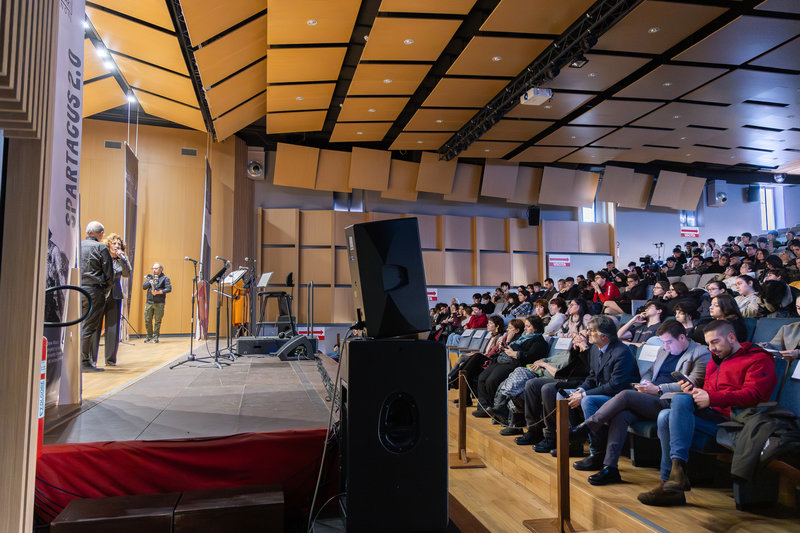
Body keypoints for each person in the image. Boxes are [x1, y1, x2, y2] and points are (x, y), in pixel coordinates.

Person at [637, 320, 776, 506]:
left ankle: (672, 484)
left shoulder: (758, 359)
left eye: (715, 342)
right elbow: (708, 392)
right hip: (712, 415)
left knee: (671, 411)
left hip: (737, 421)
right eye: (709, 343)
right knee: (668, 412)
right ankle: (671, 481)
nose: (712, 348)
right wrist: (695, 392)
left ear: (731, 337)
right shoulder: (715, 359)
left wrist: (712, 398)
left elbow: (754, 394)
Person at [569, 320, 710, 485]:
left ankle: (589, 425)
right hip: (650, 397)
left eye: (669, 342)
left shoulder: (700, 353)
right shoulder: (663, 350)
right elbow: (650, 372)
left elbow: (691, 383)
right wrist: (645, 383)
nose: (666, 346)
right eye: (663, 342)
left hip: (672, 401)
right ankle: (610, 467)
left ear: (682, 337)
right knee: (621, 415)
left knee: (625, 395)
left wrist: (657, 388)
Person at [565, 316, 640, 467]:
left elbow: (614, 386)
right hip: (602, 392)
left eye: (592, 331)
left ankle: (597, 453)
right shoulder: (595, 348)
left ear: (604, 336)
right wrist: (580, 390)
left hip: (618, 397)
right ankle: (574, 444)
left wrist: (584, 395)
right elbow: (592, 377)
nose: (588, 333)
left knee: (587, 400)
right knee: (564, 395)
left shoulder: (622, 353)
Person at [473, 317, 548, 417]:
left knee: (492, 380)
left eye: (528, 326)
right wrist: (506, 346)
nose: (525, 328)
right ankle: (483, 407)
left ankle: (494, 408)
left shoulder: (539, 342)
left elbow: (529, 356)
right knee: (482, 378)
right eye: (525, 326)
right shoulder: (522, 337)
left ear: (536, 328)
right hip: (505, 360)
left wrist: (514, 353)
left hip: (516, 364)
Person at [80, 221, 114, 371]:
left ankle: (78, 360)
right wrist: (107, 288)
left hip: (76, 289)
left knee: (79, 325)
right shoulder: (101, 247)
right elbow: (109, 273)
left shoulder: (78, 245)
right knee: (89, 326)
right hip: (94, 291)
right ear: (100, 233)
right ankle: (84, 362)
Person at [101, 233, 131, 366]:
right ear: (108, 245)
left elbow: (127, 274)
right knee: (96, 327)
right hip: (101, 294)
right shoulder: (102, 257)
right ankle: (90, 359)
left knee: (113, 328)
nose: (117, 246)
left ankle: (110, 359)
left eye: (119, 244)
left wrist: (123, 259)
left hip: (115, 294)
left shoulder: (121, 260)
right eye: (114, 243)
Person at [760, 296, 800, 361]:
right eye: (798, 308)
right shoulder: (787, 328)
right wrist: (760, 346)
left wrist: (798, 353)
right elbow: (774, 346)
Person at [143, 262, 172, 343]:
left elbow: (168, 289)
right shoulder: (150, 277)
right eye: (153, 268)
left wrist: (159, 292)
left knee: (157, 321)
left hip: (159, 303)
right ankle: (149, 336)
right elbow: (144, 287)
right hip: (149, 302)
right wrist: (149, 281)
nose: (154, 270)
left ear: (161, 269)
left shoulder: (165, 278)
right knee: (147, 320)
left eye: (156, 268)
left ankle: (156, 336)